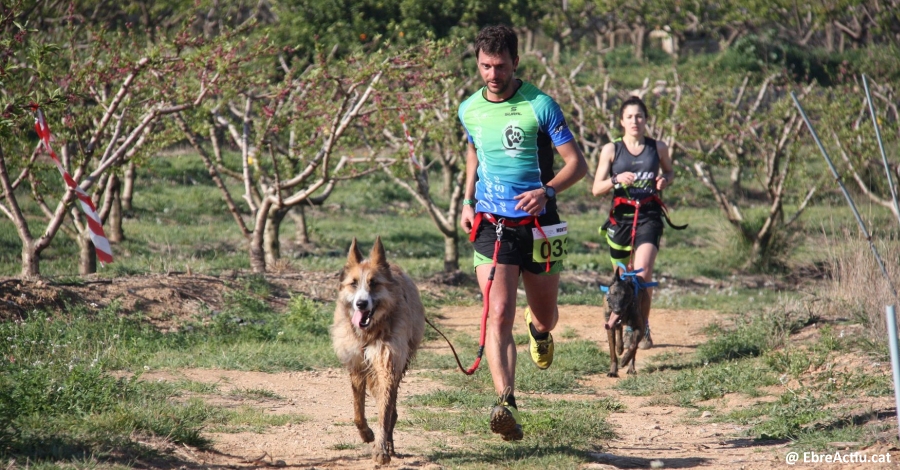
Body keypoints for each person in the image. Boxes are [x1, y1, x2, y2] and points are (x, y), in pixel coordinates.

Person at [458, 25, 587, 442]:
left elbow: (576, 164)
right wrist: (466, 200)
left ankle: (539, 330)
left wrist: (547, 190)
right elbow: (474, 147)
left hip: (541, 225)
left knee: (546, 315)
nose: (492, 74)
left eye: (499, 66)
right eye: (484, 66)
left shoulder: (540, 105)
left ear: (515, 61)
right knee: (498, 314)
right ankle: (505, 403)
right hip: (492, 225)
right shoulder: (469, 109)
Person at [592, 95, 675, 350]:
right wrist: (617, 180)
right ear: (621, 121)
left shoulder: (657, 147)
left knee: (642, 274)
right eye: (629, 116)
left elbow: (669, 172)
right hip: (621, 219)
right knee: (623, 279)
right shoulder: (611, 149)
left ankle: (640, 326)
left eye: (639, 116)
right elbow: (597, 188)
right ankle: (620, 319)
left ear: (646, 120)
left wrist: (664, 181)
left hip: (649, 215)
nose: (635, 121)